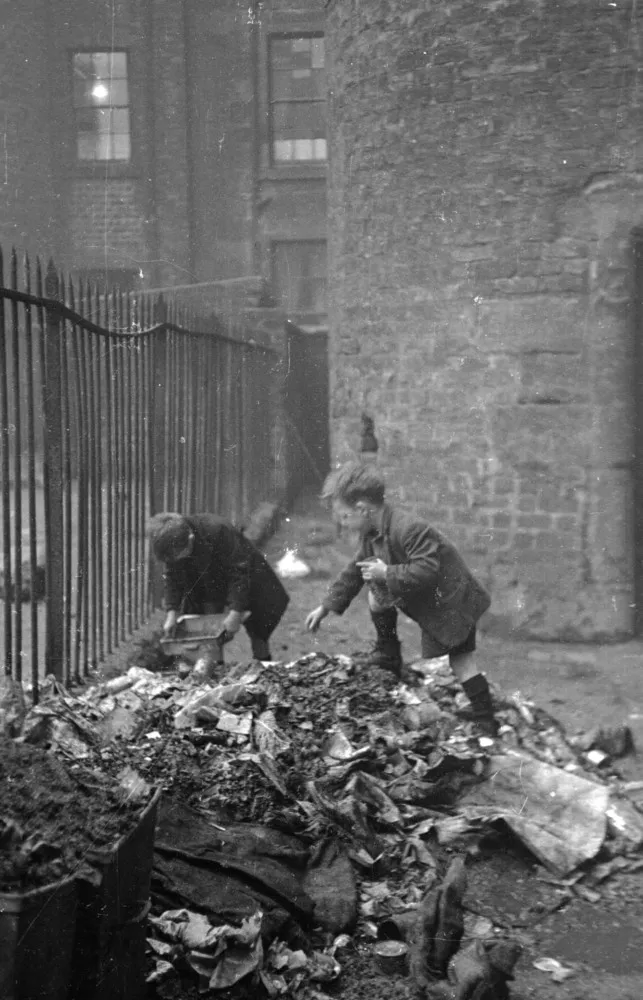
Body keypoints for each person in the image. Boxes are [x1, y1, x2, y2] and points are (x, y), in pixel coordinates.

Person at [305, 462, 496, 735]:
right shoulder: (373, 533)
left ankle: (487, 722)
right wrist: (326, 606)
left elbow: (427, 569)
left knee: (462, 662)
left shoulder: (408, 528)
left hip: (453, 604)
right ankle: (388, 653)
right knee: (376, 595)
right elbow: (355, 570)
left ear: (362, 508)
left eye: (345, 517)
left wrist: (386, 572)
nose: (343, 524)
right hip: (432, 600)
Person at [149, 511, 289, 661]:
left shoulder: (219, 529)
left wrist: (235, 612)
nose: (176, 560)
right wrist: (172, 612)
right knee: (208, 639)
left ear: (190, 539)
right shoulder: (173, 542)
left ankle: (262, 665)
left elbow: (239, 572)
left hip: (243, 579)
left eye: (180, 556)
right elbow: (172, 577)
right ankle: (214, 672)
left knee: (259, 631)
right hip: (207, 586)